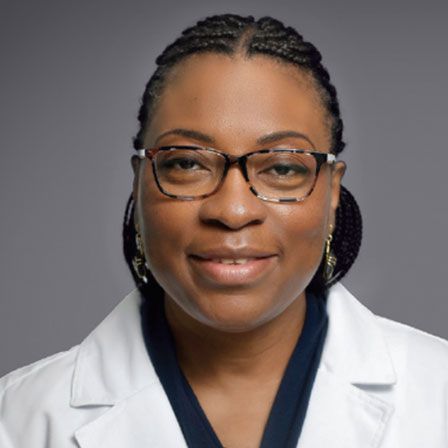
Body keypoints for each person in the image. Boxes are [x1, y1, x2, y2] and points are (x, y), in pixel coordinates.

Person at [1, 13, 447, 448]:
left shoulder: (437, 395)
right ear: (139, 183)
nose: (233, 210)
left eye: (283, 167)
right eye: (187, 163)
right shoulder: (17, 421)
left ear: (331, 192)